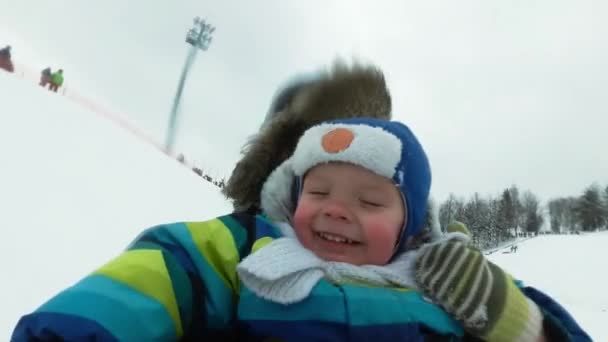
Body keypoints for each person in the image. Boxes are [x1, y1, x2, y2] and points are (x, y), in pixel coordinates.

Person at [11, 64, 590, 341]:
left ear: (411, 219)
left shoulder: (440, 274)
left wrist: (523, 323)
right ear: (287, 183)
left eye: (370, 198)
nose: (339, 209)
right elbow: (154, 278)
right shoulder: (247, 248)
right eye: (319, 190)